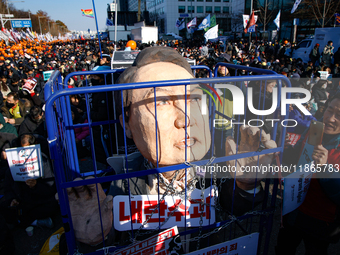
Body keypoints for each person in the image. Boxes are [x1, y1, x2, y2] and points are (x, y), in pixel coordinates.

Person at [63, 47, 277, 252]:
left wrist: (245, 184)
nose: (186, 119)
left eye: (193, 98)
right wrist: (95, 238)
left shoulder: (214, 170)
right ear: (127, 124)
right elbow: (112, 238)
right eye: (162, 100)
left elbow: (233, 208)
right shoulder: (121, 184)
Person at [276, 93, 340, 255]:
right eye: (329, 110)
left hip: (322, 221)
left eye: (338, 115)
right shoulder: (314, 130)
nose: (331, 118)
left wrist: (325, 169)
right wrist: (283, 151)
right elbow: (295, 162)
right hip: (294, 210)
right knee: (283, 249)